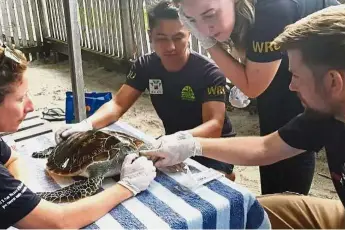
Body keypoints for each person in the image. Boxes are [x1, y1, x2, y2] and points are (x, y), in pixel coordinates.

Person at [143, 4, 345, 228]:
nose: (292, 86)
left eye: (296, 76)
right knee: (241, 212)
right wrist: (191, 145)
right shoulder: (329, 113)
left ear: (333, 81)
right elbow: (265, 148)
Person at [0, 40, 156, 228]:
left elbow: (12, 158)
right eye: (21, 98)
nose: (31, 106)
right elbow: (59, 222)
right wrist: (127, 187)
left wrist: (16, 197)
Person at [171, 0, 342, 196]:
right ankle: (273, 203)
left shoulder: (272, 10)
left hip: (338, 62)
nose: (203, 28)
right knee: (275, 124)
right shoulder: (246, 13)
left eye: (209, 14)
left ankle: (286, 206)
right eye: (192, 20)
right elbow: (265, 146)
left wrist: (208, 43)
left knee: (295, 136)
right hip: (301, 55)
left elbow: (252, 86)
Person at [55, 0, 236, 180]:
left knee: (212, 186)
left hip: (212, 148)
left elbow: (214, 126)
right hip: (169, 143)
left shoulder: (210, 72)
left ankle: (228, 173)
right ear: (150, 36)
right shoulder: (145, 66)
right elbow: (118, 104)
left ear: (190, 34)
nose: (171, 47)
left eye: (178, 37)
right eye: (162, 38)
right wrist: (86, 125)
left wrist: (178, 138)